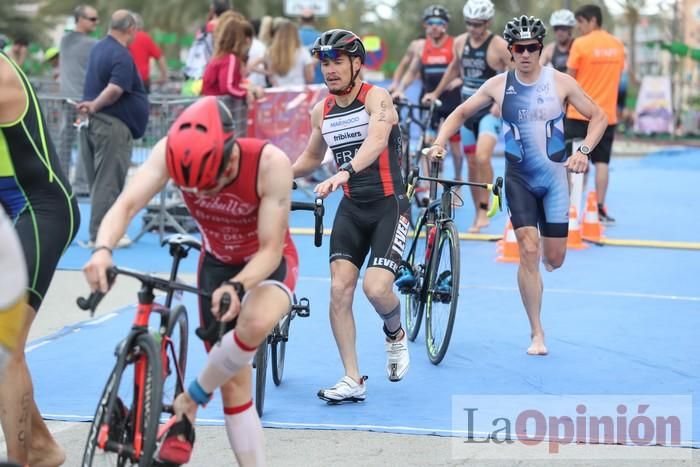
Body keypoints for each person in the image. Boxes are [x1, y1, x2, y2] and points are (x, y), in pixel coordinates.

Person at [82, 95, 297, 466]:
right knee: (233, 385)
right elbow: (126, 205)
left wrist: (239, 286)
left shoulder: (269, 163)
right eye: (192, 188)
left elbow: (270, 250)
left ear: (230, 154)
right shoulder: (170, 151)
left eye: (211, 183)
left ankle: (191, 398)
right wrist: (102, 250)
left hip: (265, 263)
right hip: (215, 262)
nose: (203, 195)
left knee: (256, 322)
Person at [425, 15, 607, 355]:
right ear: (510, 51)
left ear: (540, 49)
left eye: (532, 48)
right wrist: (439, 141)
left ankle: (547, 268)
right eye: (519, 49)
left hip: (554, 182)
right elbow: (461, 113)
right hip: (518, 179)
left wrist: (583, 150)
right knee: (528, 250)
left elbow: (599, 117)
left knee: (554, 260)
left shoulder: (561, 82)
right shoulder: (498, 85)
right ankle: (536, 332)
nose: (525, 54)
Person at [292, 29, 410, 403]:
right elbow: (312, 158)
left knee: (375, 289)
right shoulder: (321, 110)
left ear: (357, 63)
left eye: (338, 62)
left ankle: (395, 331)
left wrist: (345, 171)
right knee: (339, 290)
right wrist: (276, 172)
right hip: (352, 208)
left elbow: (376, 140)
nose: (330, 70)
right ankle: (352, 378)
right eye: (324, 63)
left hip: (389, 205)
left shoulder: (377, 98)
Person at [0, 47, 80, 467]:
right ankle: (44, 447)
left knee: (4, 344)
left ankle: (22, 460)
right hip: (10, 212)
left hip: (42, 208)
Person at [423, 0, 511, 233]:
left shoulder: (499, 45)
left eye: (479, 24)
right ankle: (480, 211)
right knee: (472, 162)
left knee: (483, 158)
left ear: (488, 22)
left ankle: (493, 197)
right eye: (470, 23)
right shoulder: (460, 42)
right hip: (468, 109)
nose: (474, 28)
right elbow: (453, 69)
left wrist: (502, 102)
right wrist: (436, 92)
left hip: (490, 111)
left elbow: (514, 74)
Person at [76, 10, 148, 248]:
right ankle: (101, 236)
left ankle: (101, 232)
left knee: (102, 182)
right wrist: (95, 106)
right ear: (131, 29)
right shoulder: (121, 54)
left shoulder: (98, 48)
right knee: (108, 182)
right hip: (111, 126)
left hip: (98, 124)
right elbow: (115, 88)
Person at [391, 5, 464, 187]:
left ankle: (457, 179)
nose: (434, 27)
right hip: (427, 100)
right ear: (425, 26)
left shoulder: (455, 44)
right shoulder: (422, 47)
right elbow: (411, 71)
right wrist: (400, 88)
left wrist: (458, 81)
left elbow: (463, 71)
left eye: (439, 23)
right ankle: (430, 182)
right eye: (430, 23)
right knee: (428, 140)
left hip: (451, 101)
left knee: (454, 144)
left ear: (445, 25)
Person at [565, 4, 625, 224]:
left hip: (579, 112)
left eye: (580, 22)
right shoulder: (617, 45)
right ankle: (598, 209)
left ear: (591, 20)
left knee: (573, 161)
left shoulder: (580, 44)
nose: (579, 28)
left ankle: (569, 209)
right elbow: (619, 78)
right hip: (606, 115)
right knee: (602, 163)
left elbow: (569, 79)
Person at [59, 4, 99, 194]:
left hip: (68, 98)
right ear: (80, 20)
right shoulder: (92, 44)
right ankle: (81, 184)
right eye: (92, 19)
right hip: (81, 101)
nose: (96, 22)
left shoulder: (65, 40)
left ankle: (59, 179)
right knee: (83, 142)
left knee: (65, 141)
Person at [202, 15, 260, 138]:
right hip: (218, 109)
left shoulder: (219, 57)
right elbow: (227, 87)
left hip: (210, 107)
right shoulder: (230, 58)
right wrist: (245, 93)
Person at [249, 20, 314, 87]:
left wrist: (268, 73)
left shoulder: (270, 52)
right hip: (298, 92)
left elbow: (250, 66)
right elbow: (309, 78)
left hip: (278, 91)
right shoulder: (302, 52)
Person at [128, 13, 168, 93]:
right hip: (142, 81)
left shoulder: (123, 37)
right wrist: (164, 76)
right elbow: (160, 57)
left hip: (125, 81)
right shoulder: (145, 38)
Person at [298, 8, 323, 84]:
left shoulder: (293, 37)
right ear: (314, 20)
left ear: (300, 20)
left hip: (298, 86)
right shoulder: (322, 37)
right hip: (319, 85)